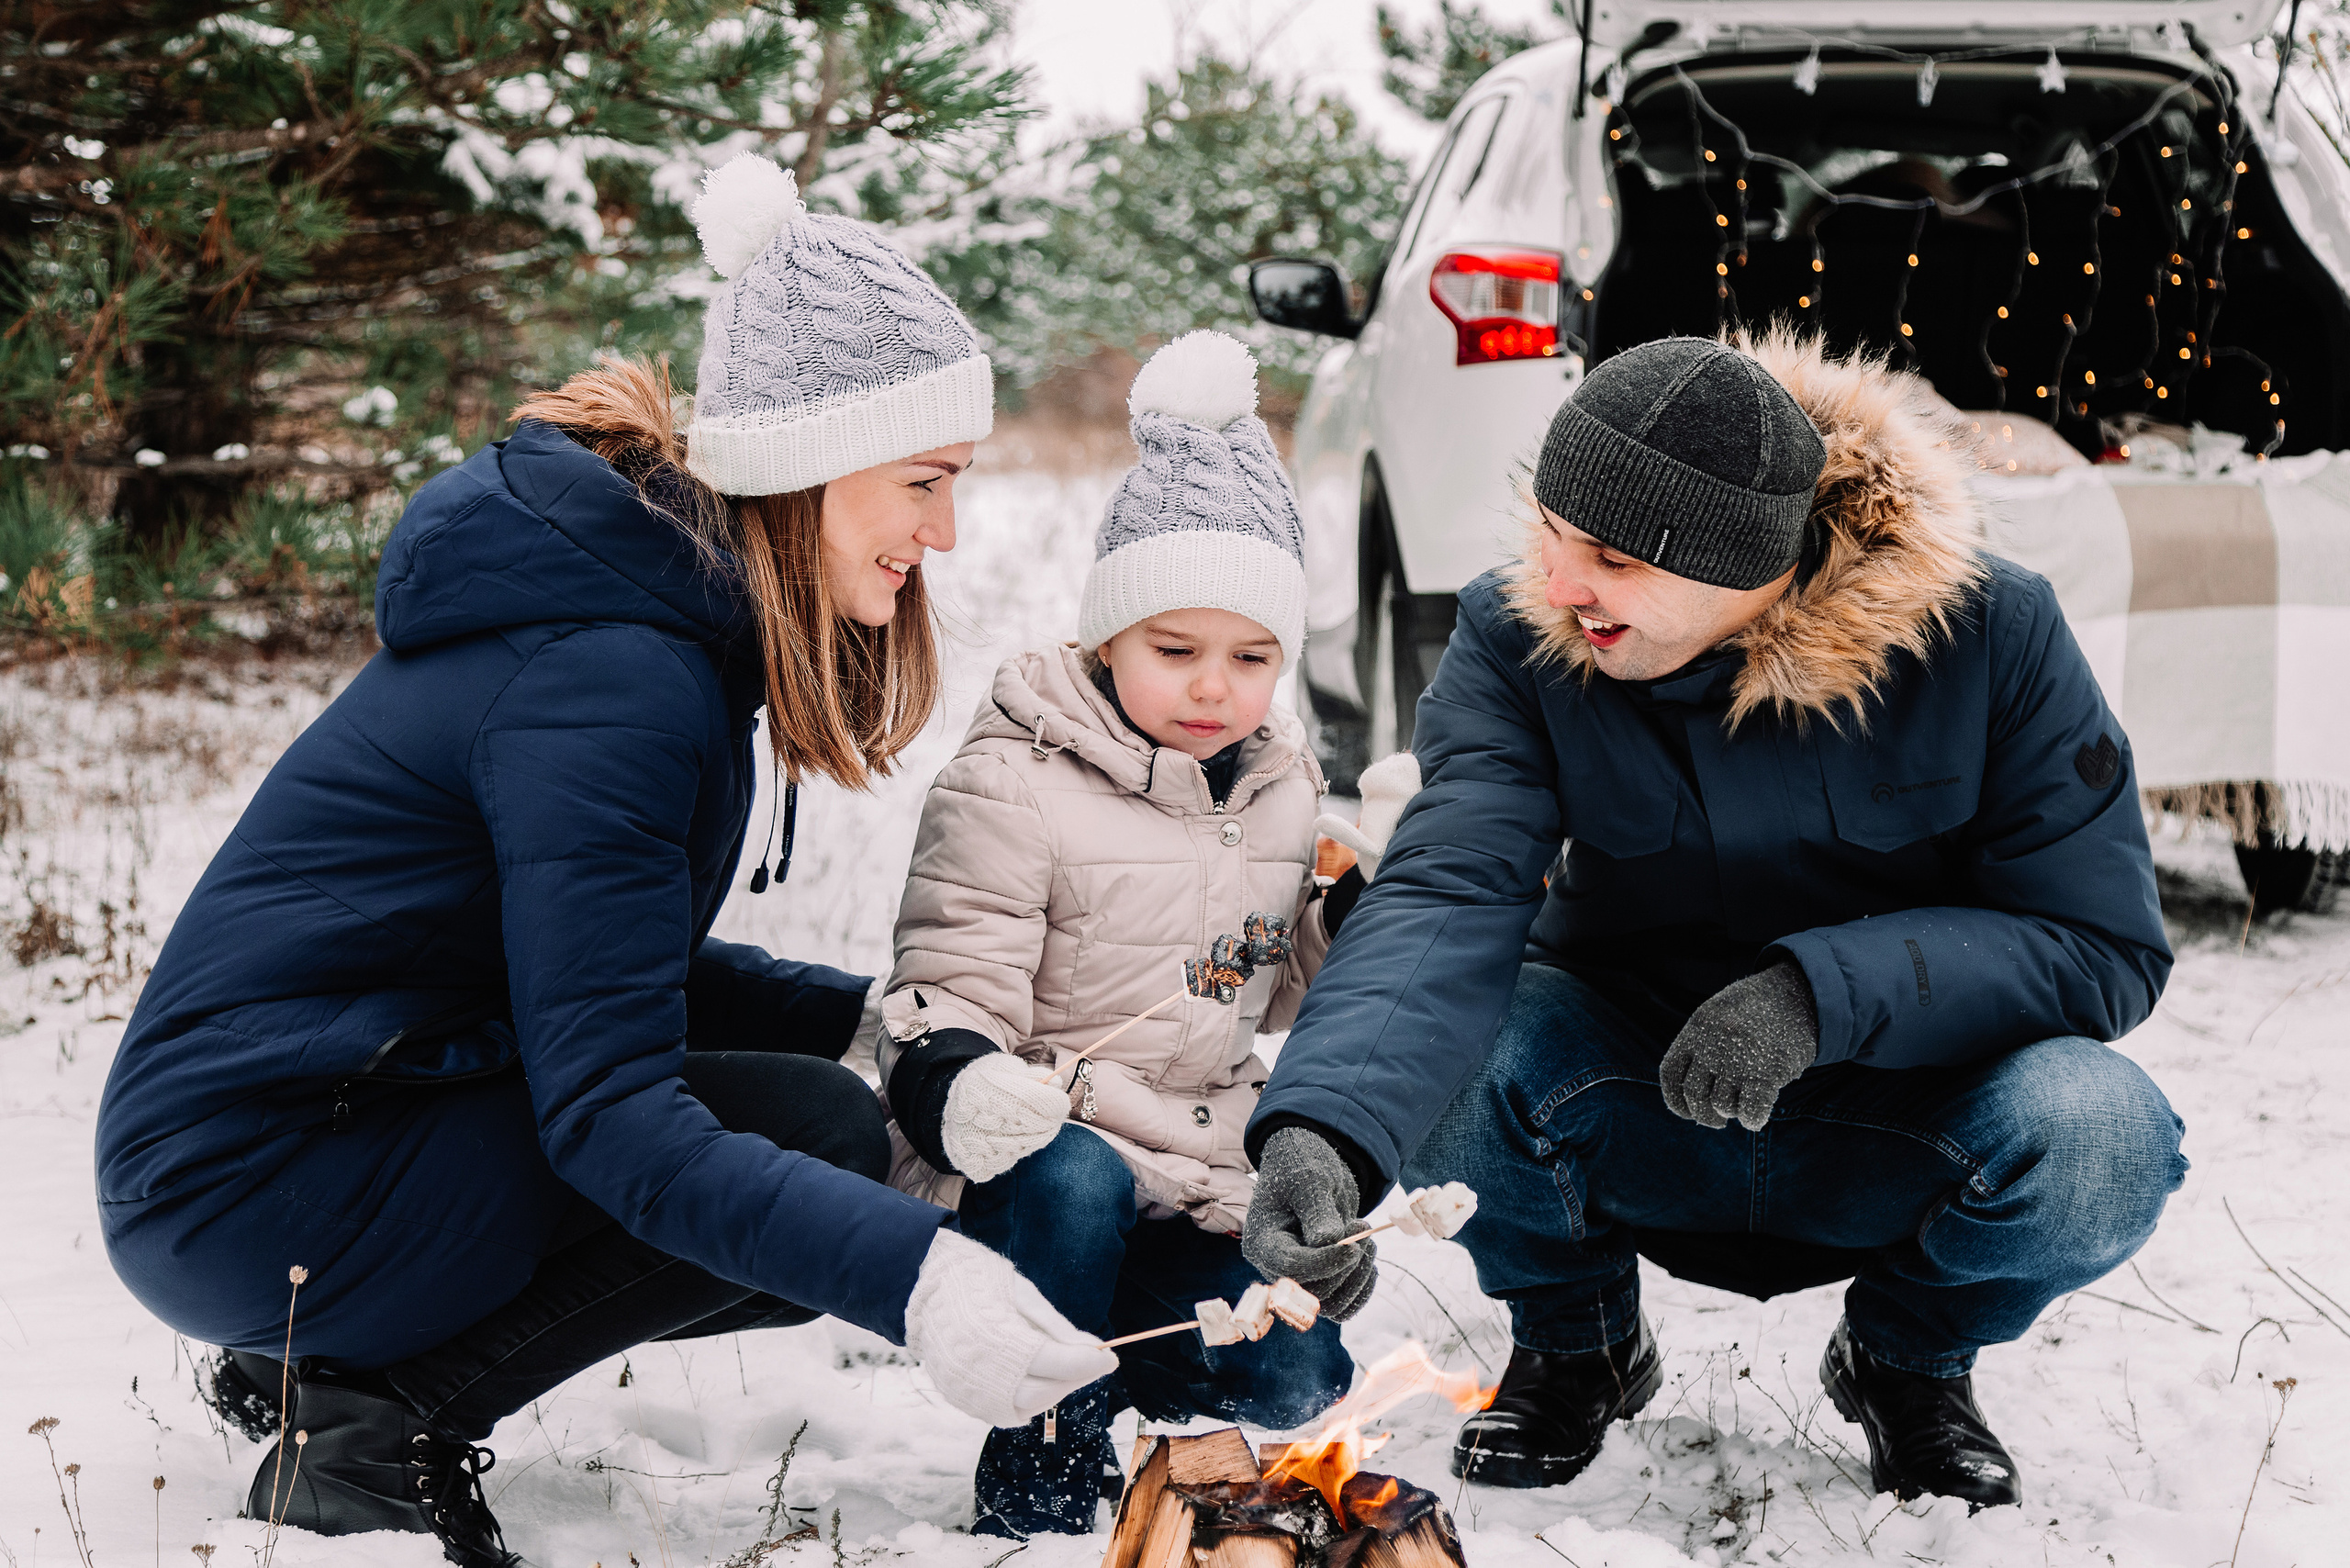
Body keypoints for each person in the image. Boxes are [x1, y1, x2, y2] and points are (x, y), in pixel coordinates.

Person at [93, 154, 1113, 1565]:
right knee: (806, 1145)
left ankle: (331, 1361)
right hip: (250, 1179)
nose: (944, 533)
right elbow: (611, 1115)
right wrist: (918, 1282)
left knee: (818, 1119)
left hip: (310, 1139)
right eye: (924, 482)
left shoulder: (645, 629)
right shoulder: (615, 680)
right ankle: (382, 1426)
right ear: (804, 469)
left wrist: (878, 1025)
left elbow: (603, 967)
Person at [1240, 332, 2187, 1511]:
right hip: (1629, 1087)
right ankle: (1578, 1343)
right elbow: (1448, 888)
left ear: (1757, 561)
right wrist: (1326, 1126)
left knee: (2104, 1135)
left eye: (1612, 557)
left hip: (1904, 1104)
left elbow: (2101, 945)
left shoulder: (1991, 634)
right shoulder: (1520, 637)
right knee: (1458, 1051)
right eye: (1552, 530)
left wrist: (1818, 995)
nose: (1562, 581)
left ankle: (1906, 1364)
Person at [875, 332, 1360, 1539]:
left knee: (1306, 1376)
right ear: (1106, 640)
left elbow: (1283, 984)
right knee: (1077, 1183)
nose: (1215, 688)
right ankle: (1043, 1433)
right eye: (1176, 650)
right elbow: (950, 977)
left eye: (1252, 658)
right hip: (1030, 1164)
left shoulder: (1283, 789)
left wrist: (1353, 915)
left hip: (1193, 1175)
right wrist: (965, 1080)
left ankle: (1127, 1358)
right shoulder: (1016, 779)